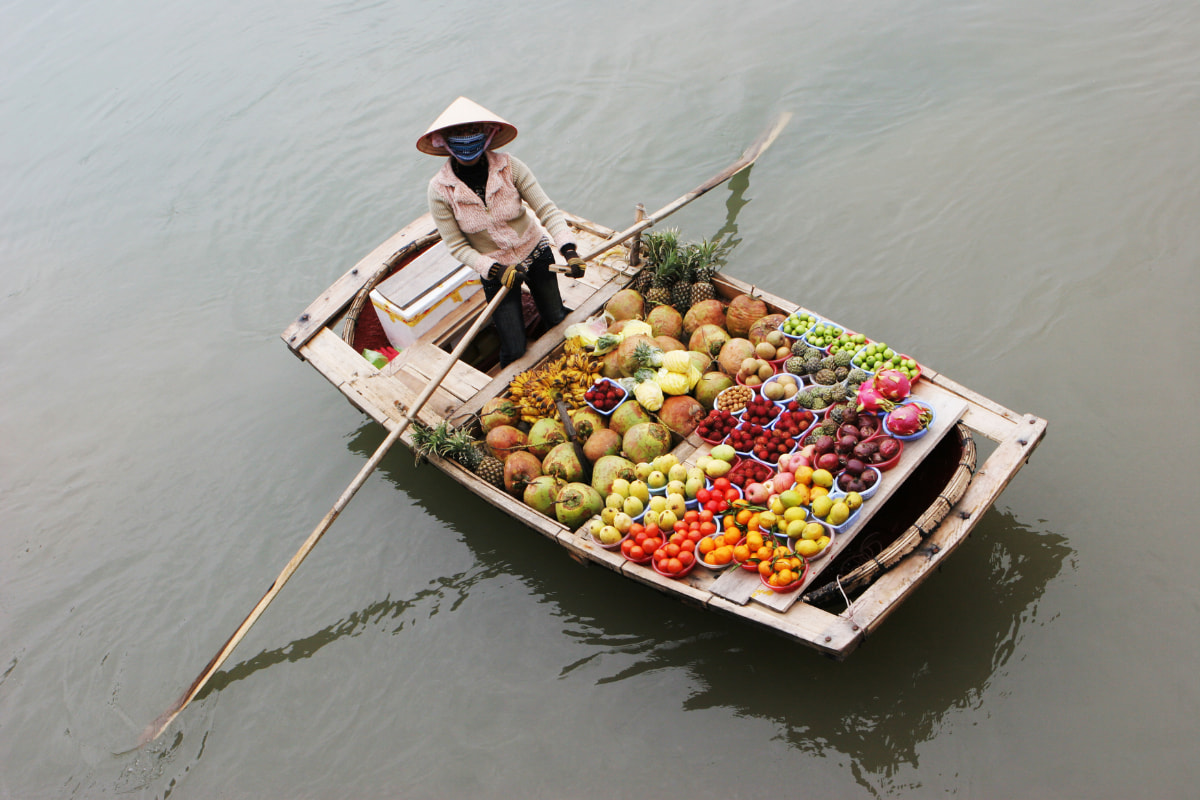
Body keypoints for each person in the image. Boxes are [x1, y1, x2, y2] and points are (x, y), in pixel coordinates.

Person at [417, 96, 586, 367]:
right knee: (513, 345)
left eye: (472, 131)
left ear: (486, 134)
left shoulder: (510, 167)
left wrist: (569, 250)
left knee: (556, 317)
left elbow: (547, 210)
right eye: (458, 133)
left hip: (536, 254)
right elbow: (457, 247)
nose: (467, 138)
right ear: (445, 141)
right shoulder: (439, 190)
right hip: (496, 272)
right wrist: (496, 270)